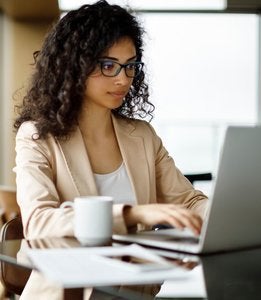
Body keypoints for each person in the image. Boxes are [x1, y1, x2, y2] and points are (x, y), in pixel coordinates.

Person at [14, 0, 208, 242]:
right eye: (108, 65)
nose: (123, 79)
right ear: (74, 66)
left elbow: (188, 202)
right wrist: (132, 214)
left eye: (129, 66)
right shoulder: (37, 135)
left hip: (139, 277)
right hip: (69, 278)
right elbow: (38, 222)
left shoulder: (143, 136)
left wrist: (227, 215)